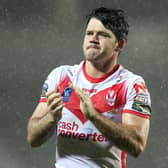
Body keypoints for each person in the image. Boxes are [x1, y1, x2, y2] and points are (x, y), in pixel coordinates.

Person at [27, 7, 151, 168]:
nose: (93, 39)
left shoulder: (131, 85)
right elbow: (33, 138)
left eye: (103, 34)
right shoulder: (61, 76)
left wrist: (94, 116)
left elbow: (137, 145)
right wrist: (50, 118)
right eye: (89, 33)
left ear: (119, 45)